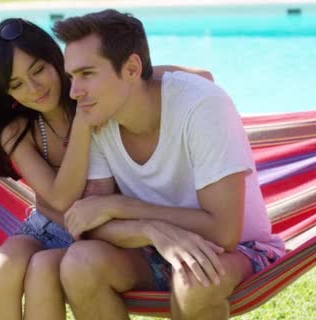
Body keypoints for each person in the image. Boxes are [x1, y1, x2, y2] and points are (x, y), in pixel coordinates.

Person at [0, 18, 214, 320]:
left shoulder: (96, 91)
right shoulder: (17, 130)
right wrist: (83, 122)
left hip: (101, 234)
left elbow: (204, 78)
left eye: (38, 70)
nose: (34, 89)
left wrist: (144, 76)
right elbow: (60, 200)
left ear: (55, 59)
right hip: (47, 226)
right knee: (4, 265)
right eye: (16, 85)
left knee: (42, 269)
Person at [51, 9, 285, 320]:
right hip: (152, 249)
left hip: (239, 249)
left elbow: (223, 232)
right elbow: (91, 226)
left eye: (87, 74)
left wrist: (123, 206)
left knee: (193, 279)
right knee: (79, 263)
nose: (74, 92)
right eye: (71, 77)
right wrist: (151, 230)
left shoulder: (201, 106)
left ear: (132, 68)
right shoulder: (98, 118)